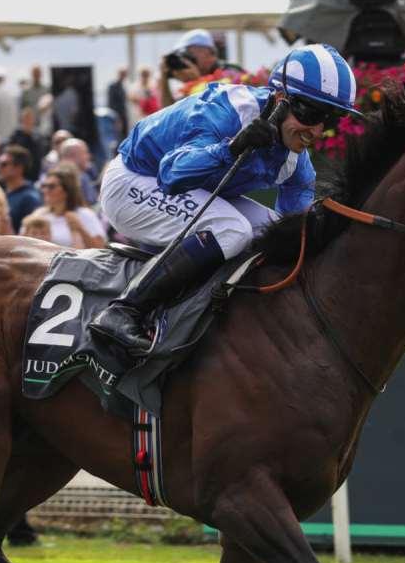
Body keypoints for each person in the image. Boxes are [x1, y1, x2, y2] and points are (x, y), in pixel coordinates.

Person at [89, 43, 363, 356]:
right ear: (279, 98)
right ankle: (123, 312)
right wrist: (232, 148)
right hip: (134, 181)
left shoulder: (297, 163)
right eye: (310, 113)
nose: (316, 130)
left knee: (273, 228)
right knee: (232, 229)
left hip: (189, 189)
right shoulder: (228, 110)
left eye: (330, 119)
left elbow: (295, 230)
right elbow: (172, 174)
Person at [32, 162, 106, 248]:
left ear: (67, 190)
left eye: (51, 186)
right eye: (44, 186)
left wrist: (80, 228)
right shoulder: (38, 214)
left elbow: (100, 248)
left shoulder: (85, 215)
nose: (45, 190)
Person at [0, 145, 41, 232]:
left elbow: (31, 236)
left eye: (4, 164)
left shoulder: (30, 199)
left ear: (19, 168)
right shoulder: (3, 192)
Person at [57, 137, 99, 205]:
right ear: (71, 156)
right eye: (85, 153)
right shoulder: (64, 180)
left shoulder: (84, 174)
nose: (89, 156)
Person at [8, 106, 45, 175]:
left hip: (33, 170)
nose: (28, 121)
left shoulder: (38, 136)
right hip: (18, 169)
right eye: (25, 118)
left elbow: (39, 153)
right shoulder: (16, 134)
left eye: (30, 118)